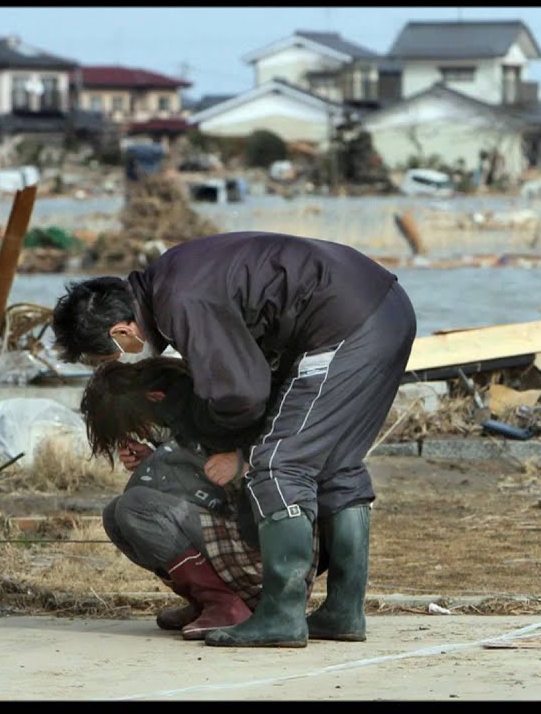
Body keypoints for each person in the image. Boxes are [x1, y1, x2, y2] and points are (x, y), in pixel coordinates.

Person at [52, 230, 417, 647]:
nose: (120, 362)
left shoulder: (181, 300)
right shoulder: (174, 277)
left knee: (279, 465)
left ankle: (281, 615)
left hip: (345, 324)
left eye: (109, 355)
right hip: (384, 308)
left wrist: (236, 447)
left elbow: (241, 394)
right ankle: (343, 611)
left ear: (121, 331)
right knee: (336, 464)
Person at [81, 357, 319, 641]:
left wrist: (241, 460)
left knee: (135, 507)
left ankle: (226, 605)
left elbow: (283, 449)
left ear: (154, 397)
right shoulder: (186, 409)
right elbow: (198, 472)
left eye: (140, 423)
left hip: (270, 554)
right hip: (240, 535)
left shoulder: (214, 406)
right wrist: (153, 457)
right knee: (115, 515)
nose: (146, 430)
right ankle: (207, 602)